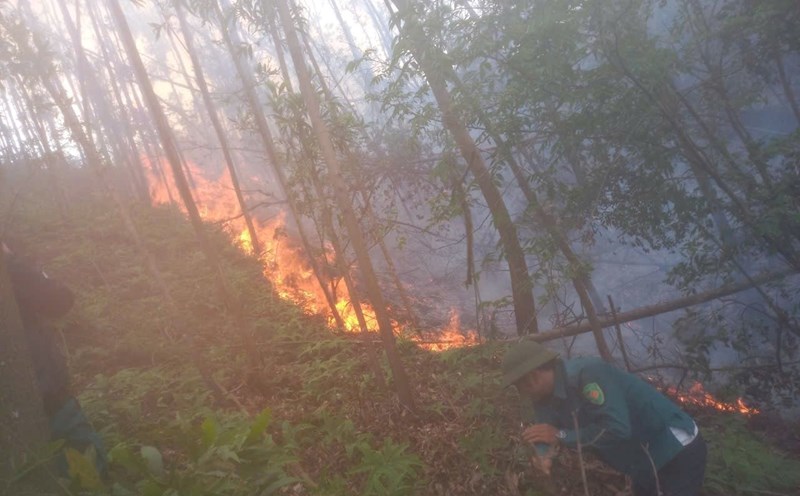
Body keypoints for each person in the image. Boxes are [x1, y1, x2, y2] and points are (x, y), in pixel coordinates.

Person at [502, 340, 706, 496]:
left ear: (533, 377)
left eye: (520, 386)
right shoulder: (543, 397)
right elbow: (545, 429)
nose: (522, 394)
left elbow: (616, 428)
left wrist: (562, 436)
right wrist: (543, 455)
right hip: (641, 463)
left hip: (674, 449)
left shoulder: (587, 375)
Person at [2, 240, 107, 477]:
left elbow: (60, 301)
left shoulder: (11, 272)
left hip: (54, 403)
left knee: (92, 477)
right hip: (10, 420)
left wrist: (10, 261)